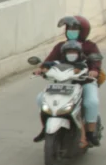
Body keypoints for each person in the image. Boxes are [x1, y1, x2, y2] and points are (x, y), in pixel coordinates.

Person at [34, 15, 102, 147]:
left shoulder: (90, 46)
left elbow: (96, 63)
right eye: (69, 28)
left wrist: (94, 71)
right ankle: (45, 127)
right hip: (62, 83)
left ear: (83, 30)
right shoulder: (61, 46)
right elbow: (48, 61)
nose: (71, 31)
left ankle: (90, 133)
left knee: (91, 102)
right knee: (40, 99)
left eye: (75, 28)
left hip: (84, 82)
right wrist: (41, 69)